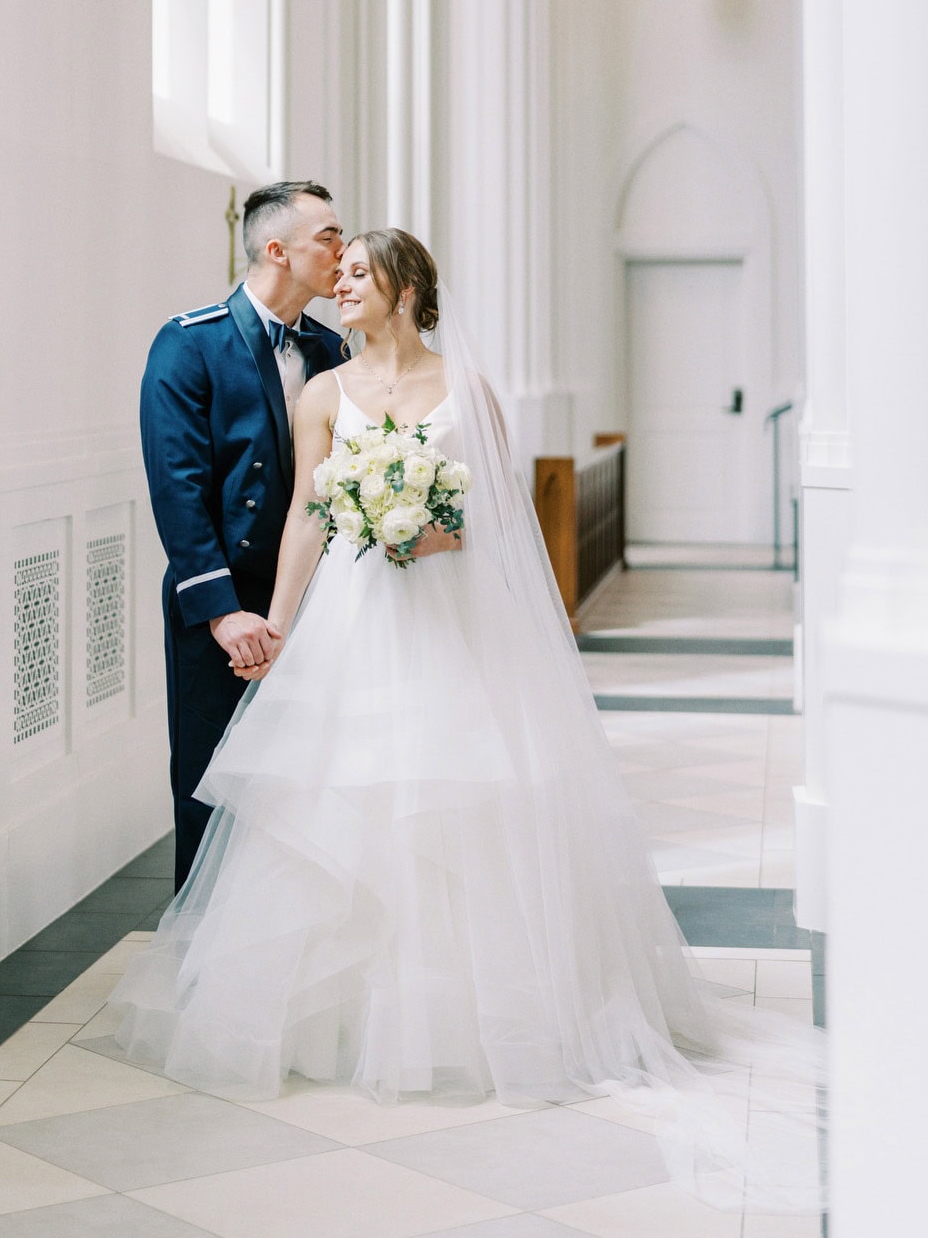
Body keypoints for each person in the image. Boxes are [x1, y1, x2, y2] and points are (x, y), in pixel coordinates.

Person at [116, 227, 825, 1214]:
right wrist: (277, 623)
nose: (342, 285)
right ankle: (331, 1018)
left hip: (446, 621)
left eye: (360, 272)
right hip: (351, 625)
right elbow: (307, 515)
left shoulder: (468, 388)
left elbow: (492, 518)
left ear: (406, 287)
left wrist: (425, 522)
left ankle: (470, 1016)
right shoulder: (321, 392)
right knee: (340, 799)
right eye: (341, 270)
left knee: (456, 797)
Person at [140, 180, 347, 891]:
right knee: (211, 779)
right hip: (222, 606)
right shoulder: (189, 342)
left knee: (310, 779)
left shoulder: (331, 349)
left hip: (318, 600)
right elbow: (178, 487)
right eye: (328, 236)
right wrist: (225, 613)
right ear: (276, 249)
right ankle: (200, 962)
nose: (343, 250)